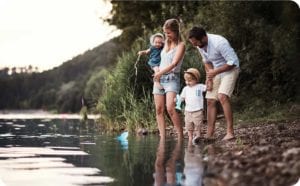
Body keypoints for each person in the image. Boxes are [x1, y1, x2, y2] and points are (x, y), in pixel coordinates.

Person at [188, 26, 240, 141]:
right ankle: (209, 135)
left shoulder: (219, 43)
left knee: (222, 96)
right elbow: (206, 61)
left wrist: (214, 72)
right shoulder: (199, 45)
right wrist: (210, 78)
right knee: (210, 100)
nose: (195, 45)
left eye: (196, 42)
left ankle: (230, 132)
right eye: (193, 43)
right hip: (216, 71)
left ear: (203, 37)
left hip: (230, 69)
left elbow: (232, 62)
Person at [153, 18, 185, 139]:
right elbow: (154, 54)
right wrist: (156, 70)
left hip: (172, 79)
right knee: (159, 110)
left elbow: (174, 64)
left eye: (169, 32)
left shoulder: (181, 45)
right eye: (165, 33)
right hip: (159, 79)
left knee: (171, 108)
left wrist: (160, 73)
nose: (167, 35)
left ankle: (181, 137)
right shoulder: (165, 42)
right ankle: (162, 138)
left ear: (176, 31)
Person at [178, 68, 206, 144]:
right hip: (188, 111)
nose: (187, 82)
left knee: (198, 124)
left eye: (190, 81)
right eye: (186, 81)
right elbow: (182, 98)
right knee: (188, 125)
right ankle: (190, 137)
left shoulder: (200, 86)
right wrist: (177, 100)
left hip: (198, 110)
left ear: (196, 79)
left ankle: (198, 135)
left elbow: (208, 88)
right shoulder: (185, 89)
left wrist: (209, 80)